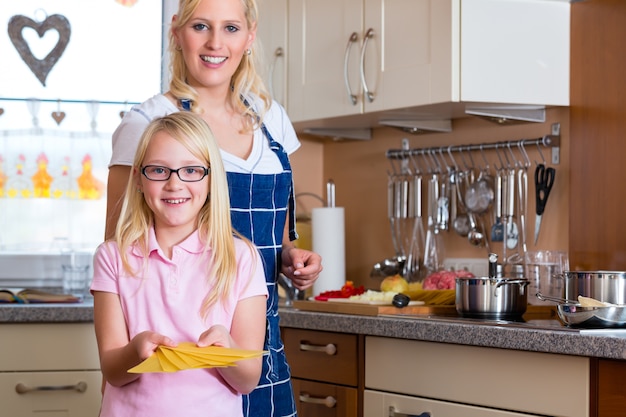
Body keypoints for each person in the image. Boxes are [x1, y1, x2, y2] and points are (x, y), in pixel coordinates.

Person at [104, 0, 323, 415]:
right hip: (180, 367)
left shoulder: (272, 120)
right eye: (201, 26)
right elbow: (121, 257)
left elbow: (276, 240)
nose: (215, 43)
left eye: (231, 28)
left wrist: (294, 259)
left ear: (250, 36)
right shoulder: (147, 124)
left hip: (256, 352)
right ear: (177, 31)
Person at [92, 112, 268, 417]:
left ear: (212, 179)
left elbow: (248, 380)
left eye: (191, 170)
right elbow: (112, 370)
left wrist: (227, 351)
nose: (175, 184)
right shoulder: (112, 258)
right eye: (159, 170)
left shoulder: (243, 259)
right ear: (138, 178)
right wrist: (136, 352)